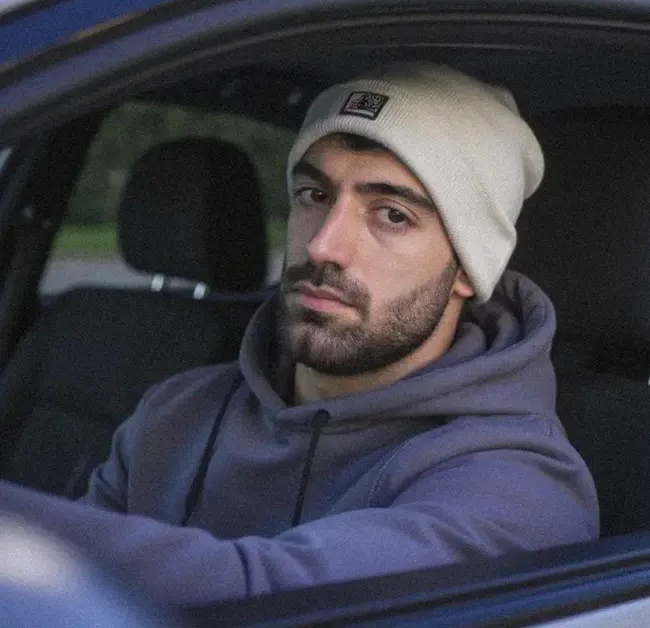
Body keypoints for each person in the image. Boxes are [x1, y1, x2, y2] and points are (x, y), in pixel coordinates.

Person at [0, 62, 598, 606]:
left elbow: (269, 601)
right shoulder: (177, 410)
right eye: (314, 195)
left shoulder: (519, 488)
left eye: (392, 214)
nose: (323, 245)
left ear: (469, 267)